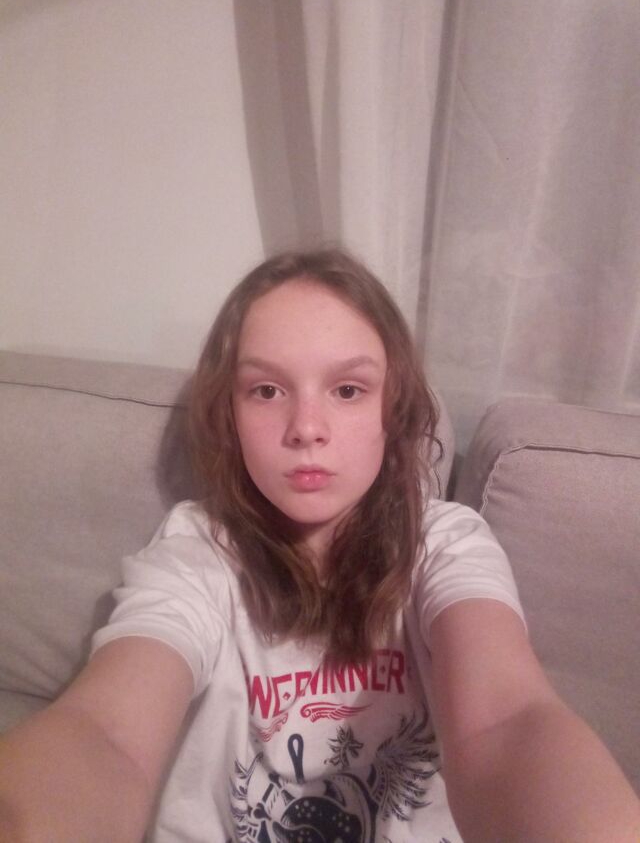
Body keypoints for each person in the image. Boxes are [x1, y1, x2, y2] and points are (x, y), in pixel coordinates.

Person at [0, 248, 638, 843]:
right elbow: (107, 734)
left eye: (348, 389)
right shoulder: (197, 553)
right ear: (229, 414)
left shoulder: (445, 544)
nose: (306, 428)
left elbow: (507, 724)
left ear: (394, 409)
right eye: (267, 390)